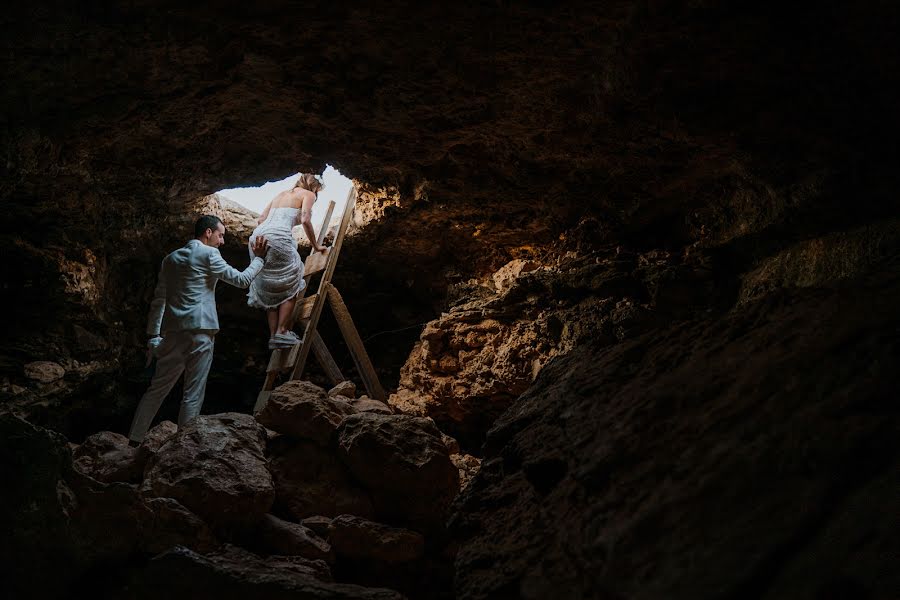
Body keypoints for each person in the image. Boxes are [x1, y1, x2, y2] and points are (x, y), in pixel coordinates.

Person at [127, 215, 269, 444]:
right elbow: (242, 280)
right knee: (192, 393)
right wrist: (260, 259)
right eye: (221, 235)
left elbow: (159, 300)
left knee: (156, 390)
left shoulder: (170, 259)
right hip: (201, 331)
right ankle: (184, 446)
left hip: (172, 333)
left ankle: (134, 439)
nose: (222, 242)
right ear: (208, 233)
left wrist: (153, 335)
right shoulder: (209, 253)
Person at [247, 173, 329, 349]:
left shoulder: (281, 195)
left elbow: (261, 219)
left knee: (271, 288)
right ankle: (282, 331)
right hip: (278, 238)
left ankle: (273, 336)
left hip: (257, 238)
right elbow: (306, 219)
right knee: (292, 277)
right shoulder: (308, 194)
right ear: (314, 186)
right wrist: (316, 245)